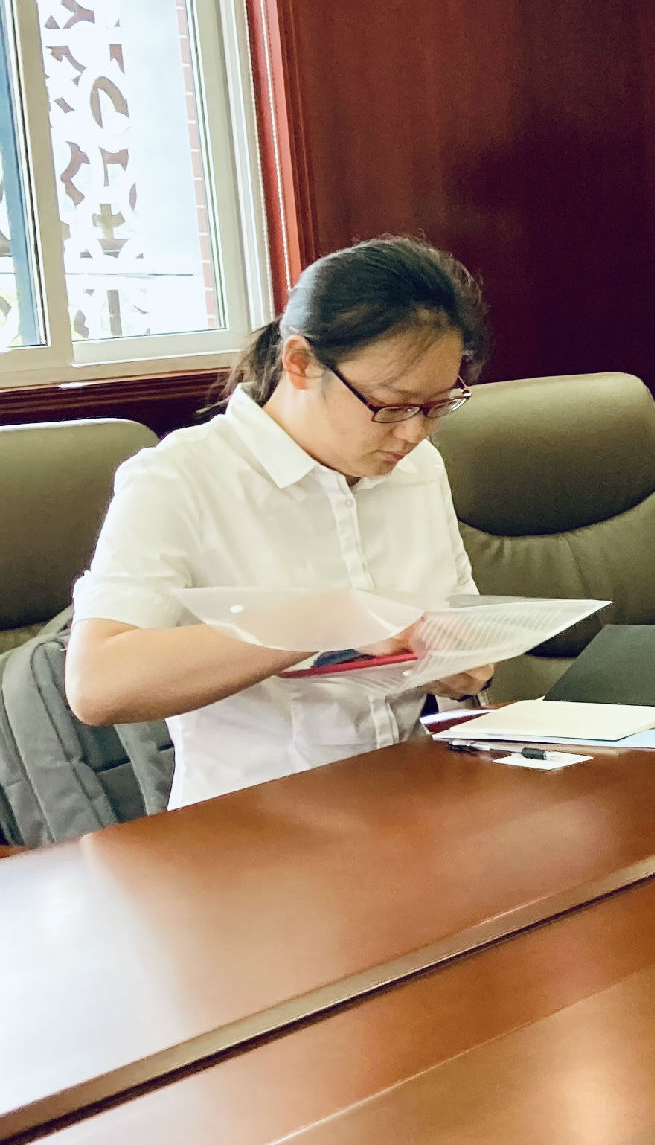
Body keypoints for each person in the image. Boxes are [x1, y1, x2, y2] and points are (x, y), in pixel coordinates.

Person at [65, 235, 498, 810]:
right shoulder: (180, 478)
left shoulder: (418, 468)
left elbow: (454, 623)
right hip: (252, 823)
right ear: (300, 363)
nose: (414, 432)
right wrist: (318, 619)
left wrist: (458, 665)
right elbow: (97, 684)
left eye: (437, 405)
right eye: (392, 405)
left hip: (407, 802)